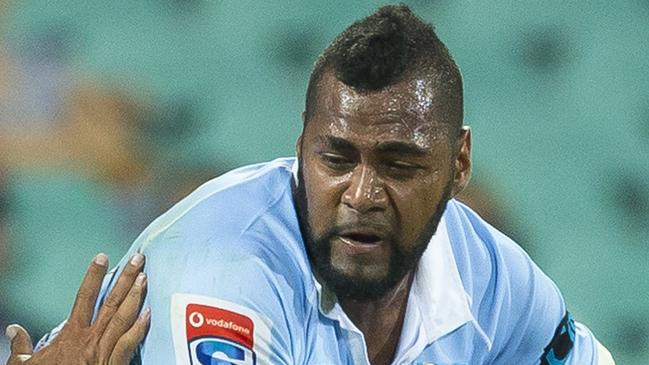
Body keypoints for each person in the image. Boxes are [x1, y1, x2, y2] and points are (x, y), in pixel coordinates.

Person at [4, 5, 615, 365]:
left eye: (399, 165)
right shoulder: (225, 274)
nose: (361, 194)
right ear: (300, 146)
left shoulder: (492, 277)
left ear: (458, 164)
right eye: (336, 158)